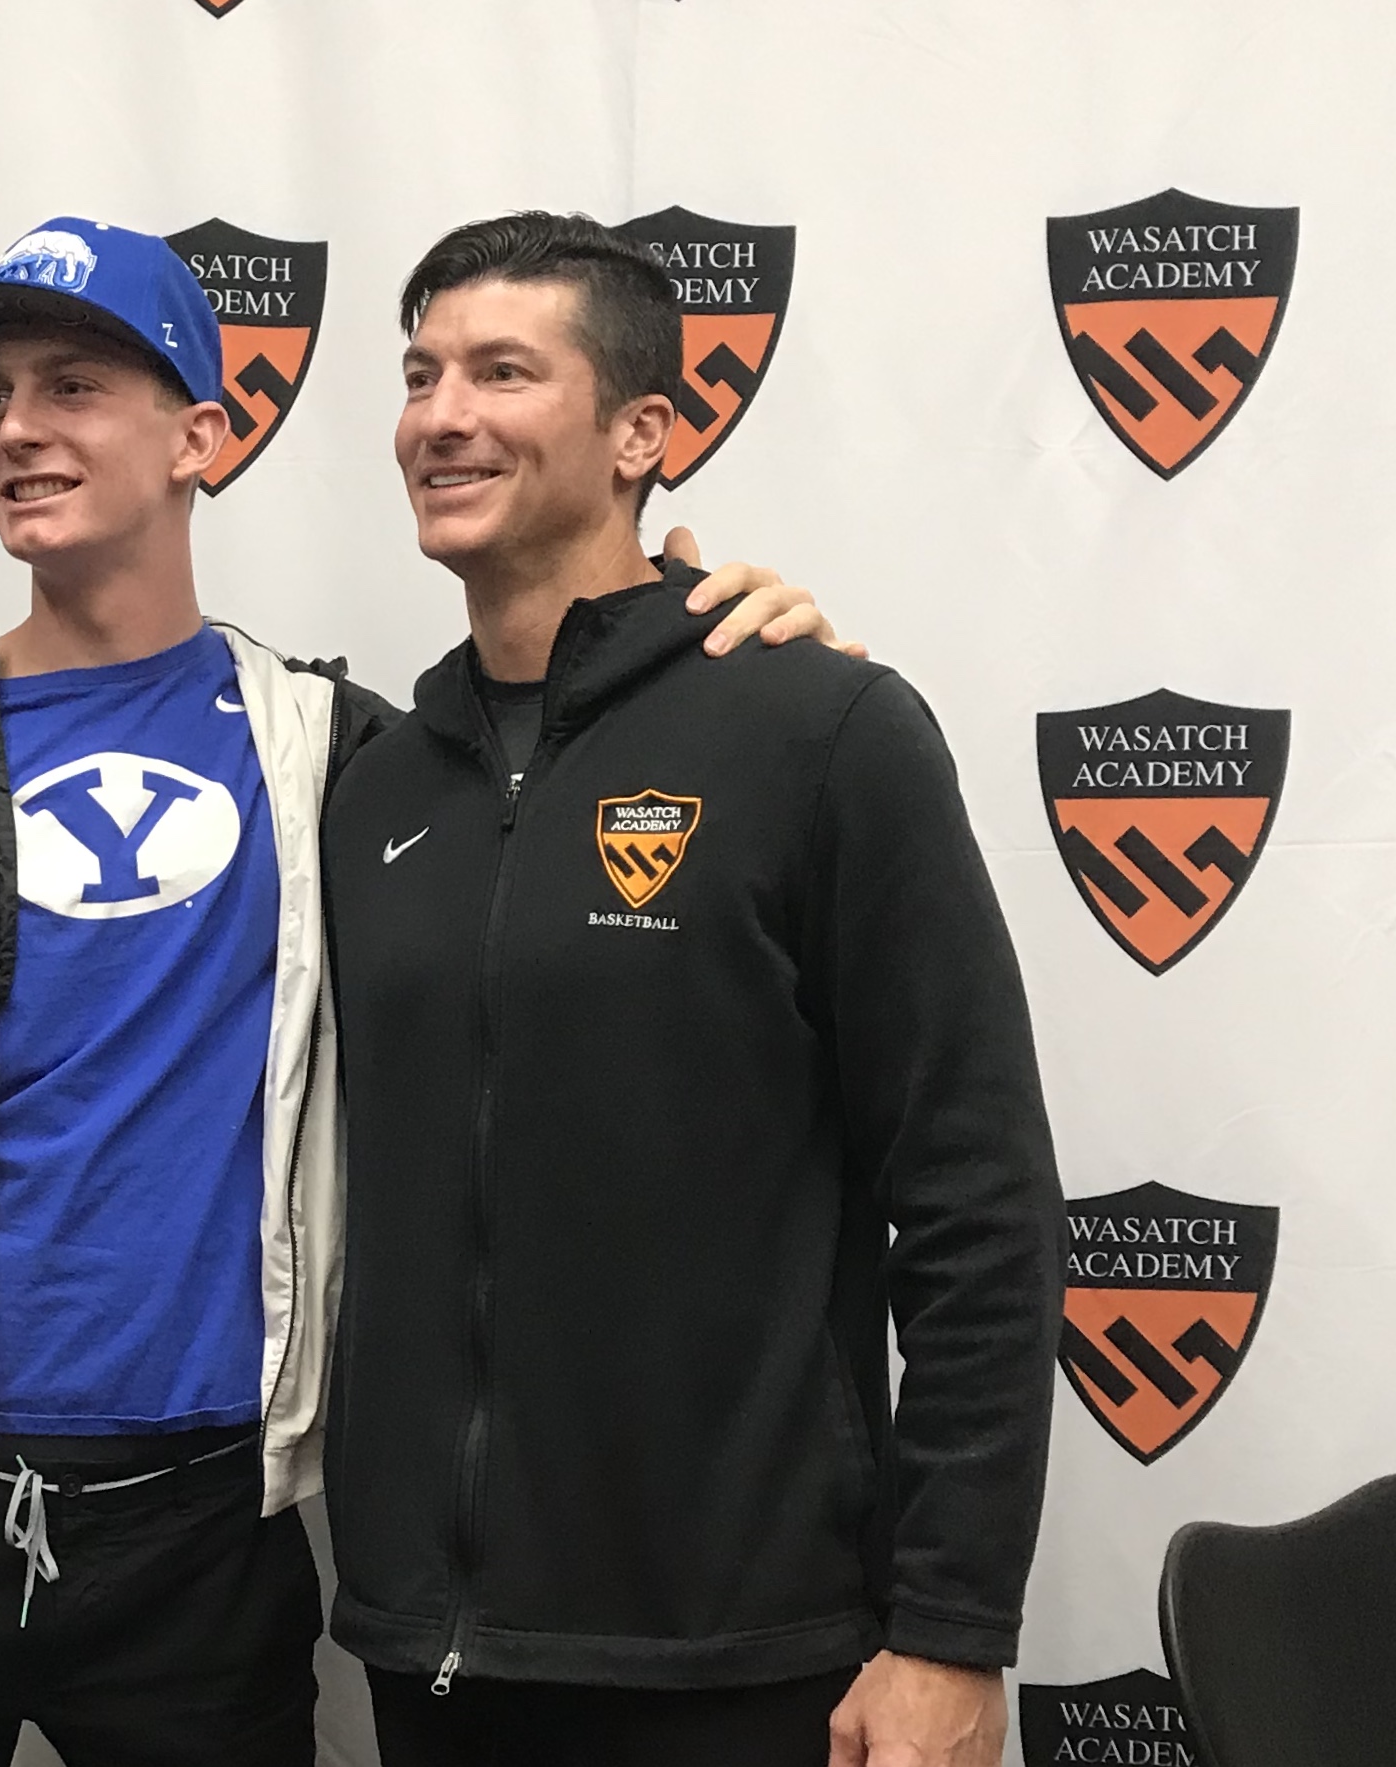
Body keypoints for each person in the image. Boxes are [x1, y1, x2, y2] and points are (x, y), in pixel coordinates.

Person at [0, 215, 844, 1766]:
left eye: (75, 385)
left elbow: (567, 818)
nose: (18, 430)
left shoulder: (342, 761)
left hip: (207, 1535)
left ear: (199, 438)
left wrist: (724, 649)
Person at [319, 210, 1064, 1767]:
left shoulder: (820, 732)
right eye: (418, 373)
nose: (439, 416)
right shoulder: (374, 784)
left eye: (502, 371)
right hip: (432, 1659)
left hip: (748, 1661)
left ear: (641, 430)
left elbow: (976, 1198)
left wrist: (949, 1632)